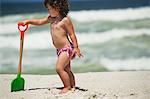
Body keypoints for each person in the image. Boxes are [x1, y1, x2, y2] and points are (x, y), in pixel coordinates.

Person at [19, 0, 82, 94]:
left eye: (50, 9)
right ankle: (72, 86)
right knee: (67, 69)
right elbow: (40, 21)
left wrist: (76, 47)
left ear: (58, 7)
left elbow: (72, 34)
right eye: (48, 9)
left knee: (59, 68)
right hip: (60, 50)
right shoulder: (51, 18)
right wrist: (28, 21)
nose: (48, 11)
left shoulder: (65, 20)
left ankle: (67, 86)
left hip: (67, 49)